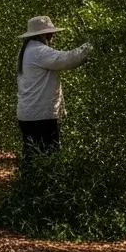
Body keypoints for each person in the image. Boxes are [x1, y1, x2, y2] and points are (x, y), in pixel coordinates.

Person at [15, 15, 93, 166]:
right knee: (48, 157)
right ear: (44, 35)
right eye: (51, 34)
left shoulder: (26, 51)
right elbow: (67, 59)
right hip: (41, 116)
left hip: (28, 114)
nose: (53, 37)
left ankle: (27, 188)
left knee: (32, 157)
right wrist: (90, 45)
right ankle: (39, 188)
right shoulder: (39, 51)